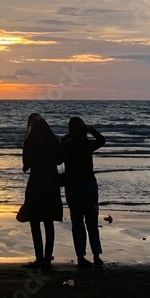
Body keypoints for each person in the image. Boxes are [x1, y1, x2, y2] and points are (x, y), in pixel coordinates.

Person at [59, 114, 106, 268]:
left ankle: (80, 257)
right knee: (92, 222)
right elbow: (102, 140)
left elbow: (59, 151)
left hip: (72, 186)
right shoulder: (86, 144)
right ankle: (97, 256)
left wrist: (69, 136)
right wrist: (90, 128)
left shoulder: (66, 144)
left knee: (77, 222)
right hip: (88, 185)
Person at [21, 112, 63, 272]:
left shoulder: (30, 141)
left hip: (36, 181)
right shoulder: (52, 140)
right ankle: (47, 259)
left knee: (34, 220)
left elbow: (26, 164)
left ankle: (39, 258)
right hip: (51, 181)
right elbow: (60, 159)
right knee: (49, 220)